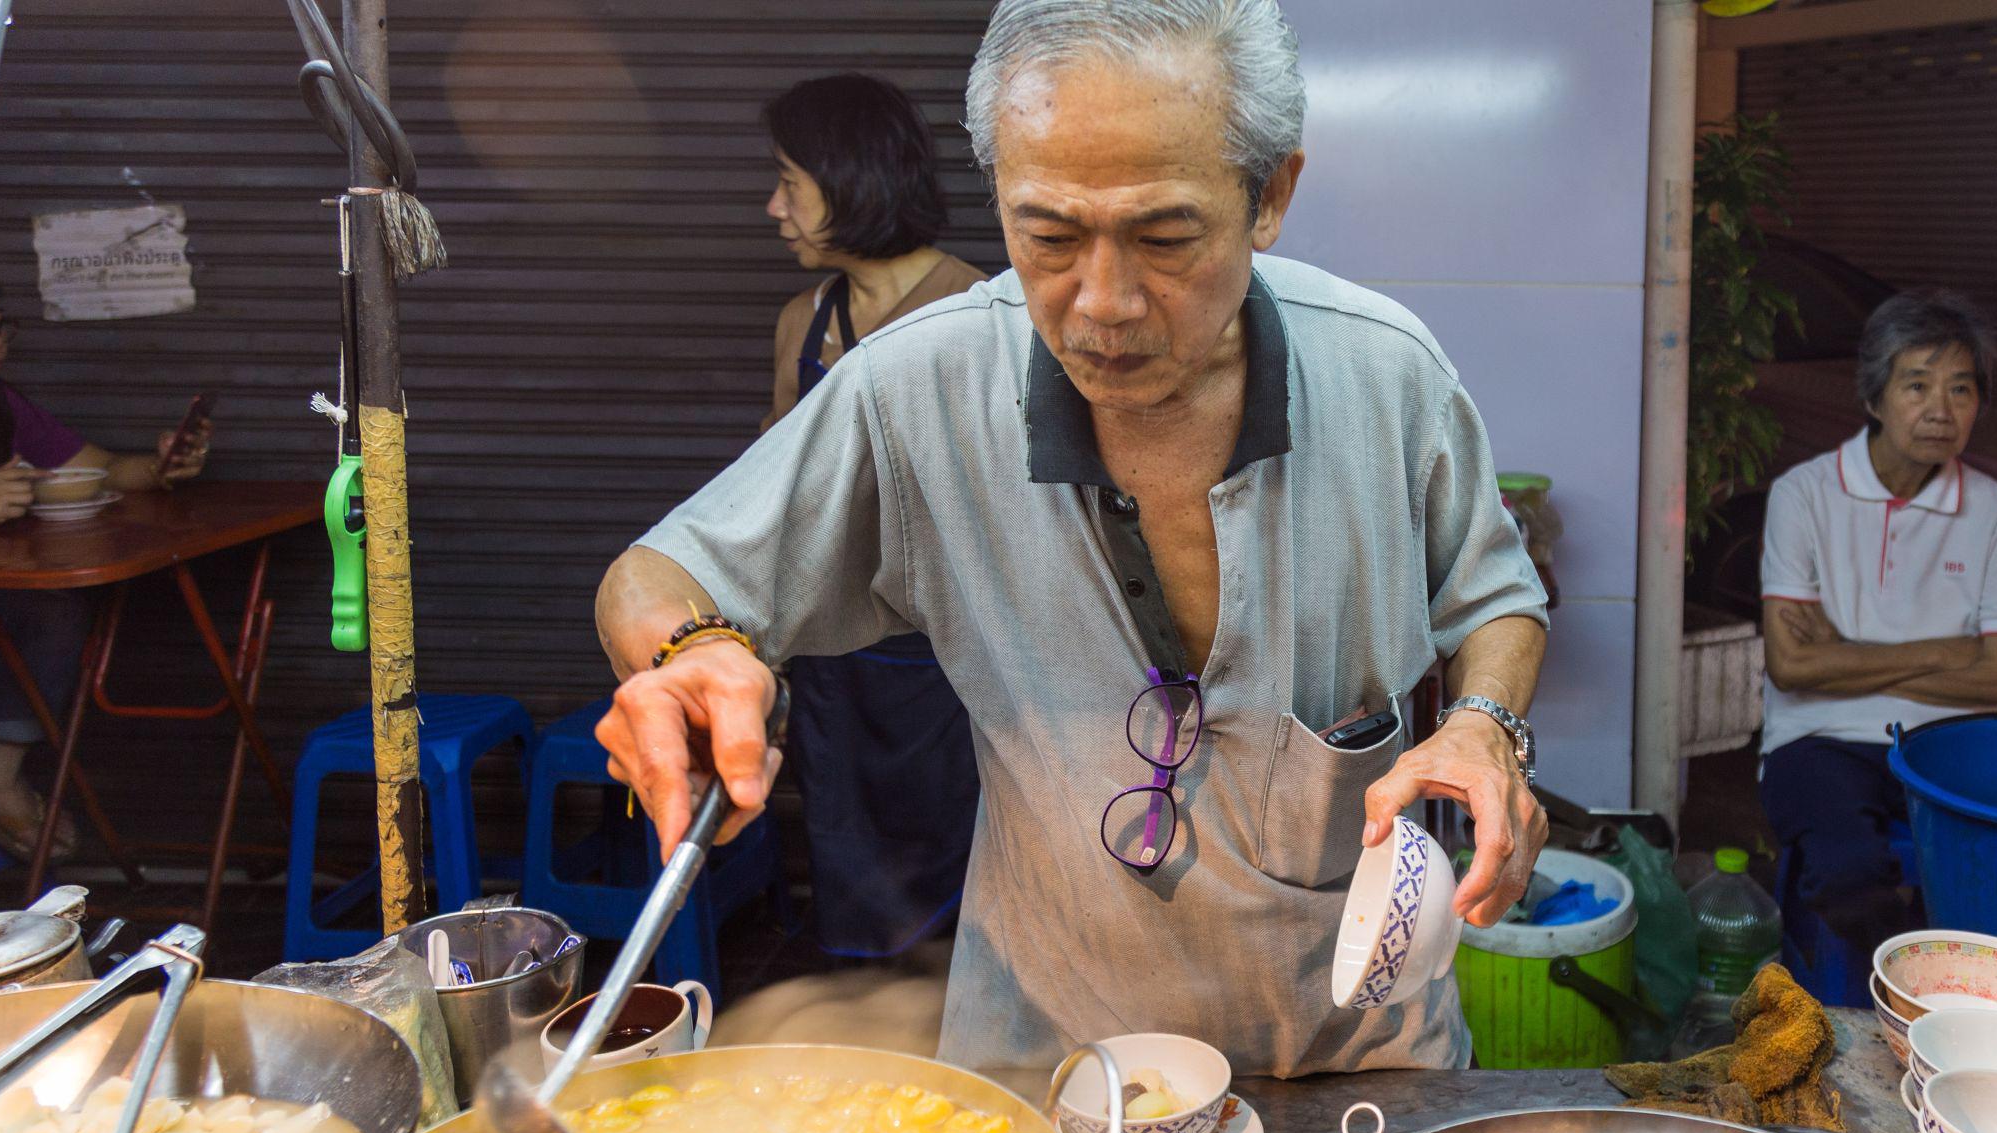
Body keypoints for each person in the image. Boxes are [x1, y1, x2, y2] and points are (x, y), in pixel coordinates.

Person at [595, 0, 1549, 1077]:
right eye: (1047, 235)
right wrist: (691, 654)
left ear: (1270, 196)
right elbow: (656, 570)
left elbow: (1496, 597)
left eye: (1164, 236)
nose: (1101, 303)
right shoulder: (922, 385)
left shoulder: (1387, 375)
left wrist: (1483, 724)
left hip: (1357, 1056)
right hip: (1054, 1066)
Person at [760, 72, 987, 958]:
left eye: (789, 181)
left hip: (946, 670)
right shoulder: (800, 322)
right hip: (832, 666)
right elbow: (774, 498)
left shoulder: (977, 315)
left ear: (848, 179)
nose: (772, 205)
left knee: (961, 883)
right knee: (851, 883)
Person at [1758, 290, 1997, 965]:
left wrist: (1844, 654)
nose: (1940, 410)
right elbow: (1790, 668)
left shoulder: (1992, 509)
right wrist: (1950, 651)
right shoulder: (1804, 494)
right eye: (1917, 386)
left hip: (1946, 741)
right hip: (1817, 739)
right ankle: (1913, 991)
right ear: (1875, 398)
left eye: (1960, 390)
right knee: (1848, 873)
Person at [0, 263, 211, 858]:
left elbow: (98, 467)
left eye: (0, 326)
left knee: (54, 613)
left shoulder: (0, 406)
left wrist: (158, 469)